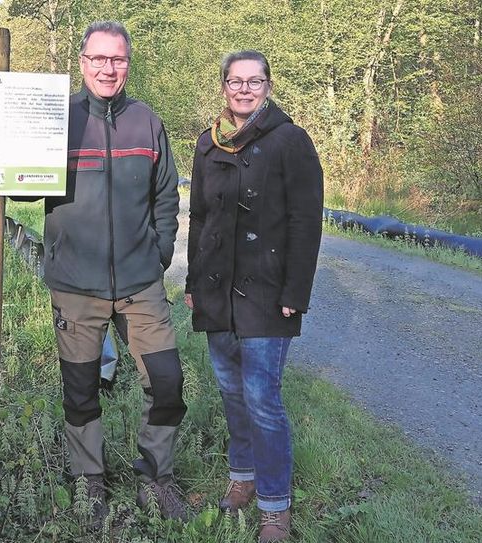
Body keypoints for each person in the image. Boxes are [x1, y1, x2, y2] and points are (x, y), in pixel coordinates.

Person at [24, 20, 188, 525]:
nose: (107, 68)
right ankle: (89, 480)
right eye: (98, 58)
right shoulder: (58, 118)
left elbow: (166, 194)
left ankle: (155, 479)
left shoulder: (147, 121)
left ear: (128, 64)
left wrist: (159, 252)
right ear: (82, 62)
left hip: (141, 284)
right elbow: (23, 186)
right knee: (80, 388)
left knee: (166, 383)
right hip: (75, 285)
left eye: (116, 59)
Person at [184, 51, 323, 542]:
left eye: (254, 81)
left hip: (268, 294)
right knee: (230, 392)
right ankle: (241, 479)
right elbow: (199, 219)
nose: (244, 89)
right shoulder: (208, 143)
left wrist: (296, 292)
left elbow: (307, 221)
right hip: (217, 293)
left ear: (268, 85)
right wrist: (194, 285)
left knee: (263, 399)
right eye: (235, 81)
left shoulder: (291, 141)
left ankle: (275, 507)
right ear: (223, 86)